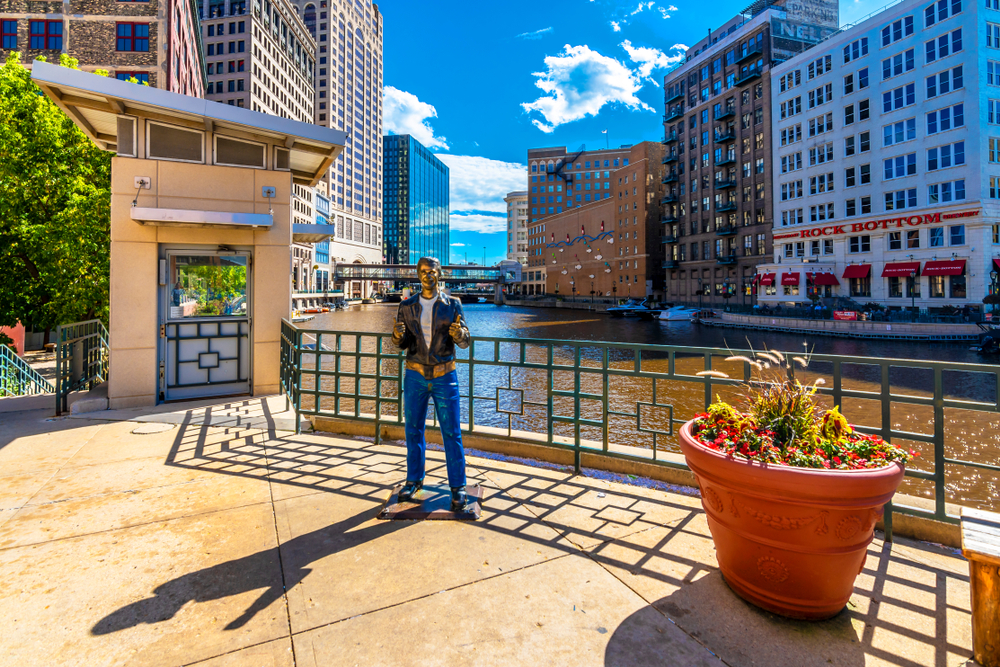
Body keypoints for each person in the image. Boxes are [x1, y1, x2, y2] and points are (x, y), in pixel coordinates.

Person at [391, 257, 471, 511]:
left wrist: (460, 335)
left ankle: (458, 486)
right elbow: (401, 343)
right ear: (417, 275)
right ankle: (414, 480)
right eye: (423, 272)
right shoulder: (406, 306)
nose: (428, 276)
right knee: (413, 430)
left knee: (451, 432)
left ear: (440, 274)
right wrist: (396, 337)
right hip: (414, 374)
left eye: (432, 272)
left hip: (445, 375)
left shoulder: (453, 305)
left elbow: (465, 340)